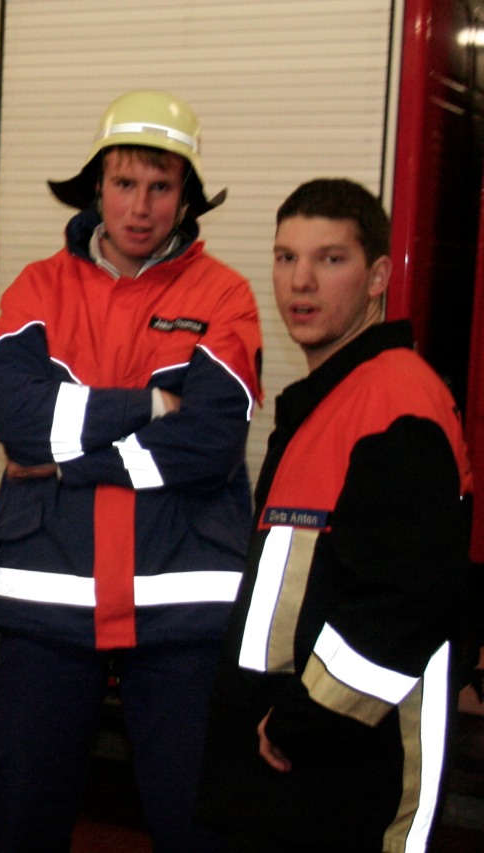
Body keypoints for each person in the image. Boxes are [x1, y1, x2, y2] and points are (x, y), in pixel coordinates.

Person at [0, 89, 263, 853]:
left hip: (178, 611)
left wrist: (68, 462)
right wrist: (151, 405)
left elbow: (210, 443)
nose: (141, 207)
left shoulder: (223, 295)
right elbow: (20, 423)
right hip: (49, 604)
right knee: (27, 821)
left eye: (161, 186)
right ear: (96, 186)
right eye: (125, 182)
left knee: (193, 825)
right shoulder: (36, 289)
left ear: (186, 194)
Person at [196, 179, 473, 853]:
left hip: (351, 761)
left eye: (331, 259)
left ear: (377, 277)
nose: (301, 281)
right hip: (295, 760)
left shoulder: (397, 406)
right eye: (286, 257)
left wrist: (304, 718)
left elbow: (405, 603)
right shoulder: (330, 399)